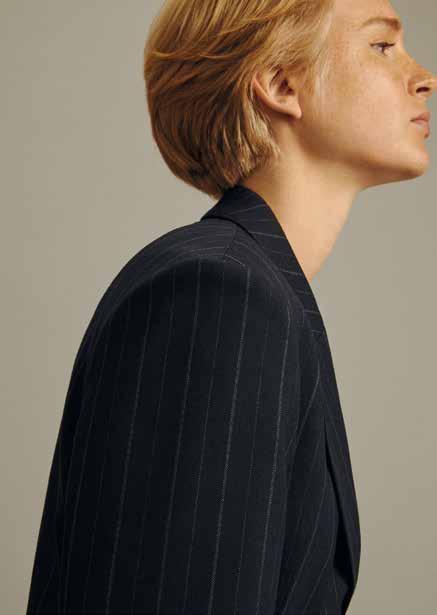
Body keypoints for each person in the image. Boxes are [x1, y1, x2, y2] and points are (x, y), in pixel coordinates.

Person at [26, 0, 437, 614]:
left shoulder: (253, 287)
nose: (424, 77)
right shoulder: (220, 293)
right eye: (382, 46)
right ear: (281, 84)